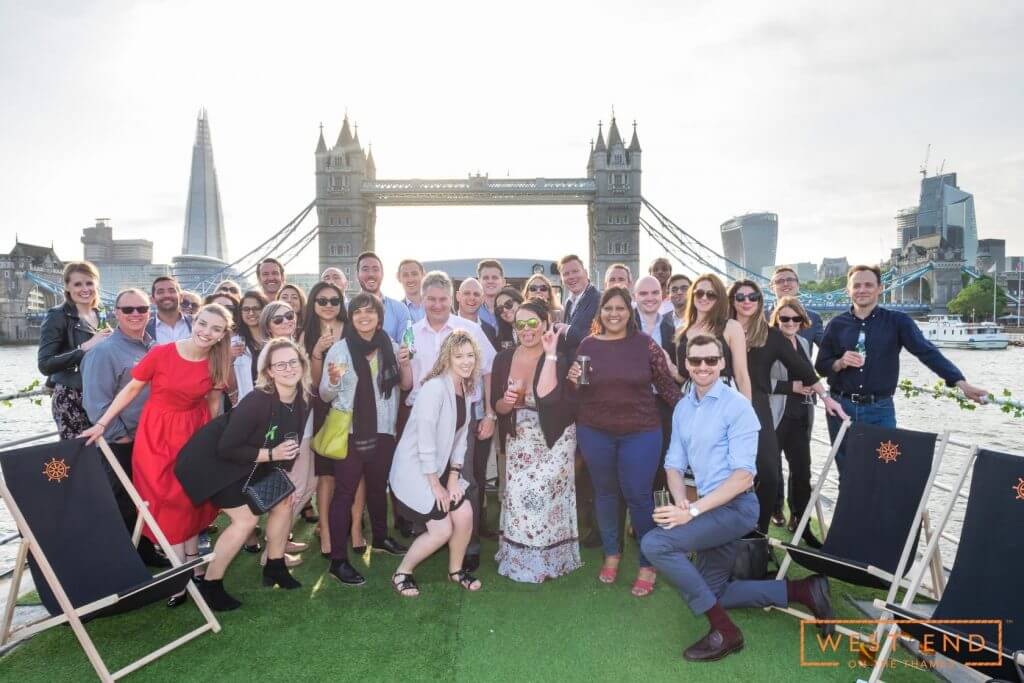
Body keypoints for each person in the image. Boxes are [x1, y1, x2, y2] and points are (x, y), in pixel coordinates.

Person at [640, 335, 835, 663]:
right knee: (712, 591)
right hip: (706, 507)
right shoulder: (684, 407)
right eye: (696, 360)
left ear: (721, 363)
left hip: (737, 508)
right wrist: (681, 503)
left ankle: (725, 631)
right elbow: (673, 463)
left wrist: (694, 511)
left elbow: (744, 476)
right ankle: (803, 590)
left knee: (655, 545)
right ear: (686, 364)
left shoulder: (737, 406)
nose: (703, 366)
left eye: (711, 360)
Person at [81, 303, 233, 607]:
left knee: (188, 499)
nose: (206, 332)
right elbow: (131, 389)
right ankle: (180, 577)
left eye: (215, 329)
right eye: (203, 324)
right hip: (156, 434)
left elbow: (215, 405)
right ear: (194, 321)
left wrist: (212, 444)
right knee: (163, 500)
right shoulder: (161, 353)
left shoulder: (218, 360)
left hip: (194, 433)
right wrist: (101, 423)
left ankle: (193, 565)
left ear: (222, 335)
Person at [179, 337, 311, 609]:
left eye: (293, 362)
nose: (288, 368)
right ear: (269, 372)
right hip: (211, 464)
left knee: (284, 501)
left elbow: (288, 444)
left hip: (250, 463)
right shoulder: (257, 400)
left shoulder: (302, 400)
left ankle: (275, 567)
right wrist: (272, 455)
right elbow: (228, 447)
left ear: (303, 365)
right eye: (280, 364)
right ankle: (211, 585)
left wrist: (280, 476)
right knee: (246, 521)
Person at [815, 265, 987, 470]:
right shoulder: (836, 324)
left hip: (880, 410)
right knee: (847, 473)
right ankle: (849, 503)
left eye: (869, 285)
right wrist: (840, 362)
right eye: (857, 285)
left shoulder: (898, 321)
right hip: (841, 408)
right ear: (848, 290)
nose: (862, 290)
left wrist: (961, 383)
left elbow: (927, 352)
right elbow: (822, 366)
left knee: (884, 472)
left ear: (880, 288)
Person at [568, 287, 681, 597]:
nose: (614, 313)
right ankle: (612, 554)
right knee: (605, 494)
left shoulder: (646, 345)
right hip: (595, 431)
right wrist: (573, 380)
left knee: (639, 496)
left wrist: (699, 414)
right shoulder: (588, 345)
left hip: (641, 432)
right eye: (608, 308)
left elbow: (667, 389)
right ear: (600, 312)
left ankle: (648, 562)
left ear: (629, 312)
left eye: (620, 308)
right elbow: (579, 390)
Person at [729, 279, 845, 534]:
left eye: (753, 297)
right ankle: (722, 535)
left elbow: (802, 367)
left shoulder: (771, 336)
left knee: (769, 476)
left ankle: (757, 535)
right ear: (732, 301)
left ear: (760, 302)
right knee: (725, 477)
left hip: (757, 409)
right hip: (722, 409)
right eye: (740, 297)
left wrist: (826, 397)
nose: (747, 301)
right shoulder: (722, 330)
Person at [320, 293, 413, 586]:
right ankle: (338, 560)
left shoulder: (392, 346)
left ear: (379, 317)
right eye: (357, 312)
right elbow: (325, 394)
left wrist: (406, 363)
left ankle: (382, 537)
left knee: (377, 488)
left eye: (369, 312)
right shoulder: (339, 350)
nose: (363, 316)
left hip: (384, 430)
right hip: (350, 431)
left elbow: (406, 385)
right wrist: (334, 381)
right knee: (344, 494)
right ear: (351, 317)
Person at [407, 271, 496, 571]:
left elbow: (487, 370)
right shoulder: (412, 332)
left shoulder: (467, 328)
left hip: (462, 416)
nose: (436, 304)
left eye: (442, 299)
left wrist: (489, 413)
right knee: (425, 477)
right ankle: (428, 534)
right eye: (430, 299)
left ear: (451, 298)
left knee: (464, 478)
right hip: (422, 417)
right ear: (422, 299)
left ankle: (468, 545)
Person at [389, 330, 484, 597]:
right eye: (459, 356)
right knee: (442, 530)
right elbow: (425, 440)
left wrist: (453, 477)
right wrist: (436, 485)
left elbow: (461, 438)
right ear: (447, 358)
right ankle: (402, 572)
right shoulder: (435, 388)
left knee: (464, 514)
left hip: (440, 470)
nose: (466, 361)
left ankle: (455, 570)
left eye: (470, 355)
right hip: (416, 471)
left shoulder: (464, 386)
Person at [491, 300, 580, 582]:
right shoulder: (503, 358)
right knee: (518, 497)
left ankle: (550, 560)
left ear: (545, 323)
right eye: (520, 325)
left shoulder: (562, 356)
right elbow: (498, 407)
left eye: (533, 323)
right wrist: (506, 403)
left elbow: (550, 398)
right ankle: (519, 559)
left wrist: (551, 353)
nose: (526, 330)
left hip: (555, 436)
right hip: (520, 437)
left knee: (544, 496)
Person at [80, 288, 166, 567]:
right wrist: (121, 435)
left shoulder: (153, 347)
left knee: (143, 498)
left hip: (150, 438)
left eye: (141, 309)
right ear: (116, 313)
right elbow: (96, 403)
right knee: (122, 502)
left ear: (149, 312)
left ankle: (145, 552)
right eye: (128, 310)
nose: (135, 314)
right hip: (122, 441)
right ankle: (122, 562)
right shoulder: (104, 352)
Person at [260, 301, 318, 537]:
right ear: (268, 326)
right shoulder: (270, 352)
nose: (286, 321)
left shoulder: (295, 346)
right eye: (278, 319)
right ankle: (273, 551)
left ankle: (280, 542)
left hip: (305, 425)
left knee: (309, 484)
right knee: (292, 490)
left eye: (289, 315)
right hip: (289, 431)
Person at [768, 297, 822, 543]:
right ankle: (768, 517)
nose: (790, 323)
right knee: (769, 472)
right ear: (777, 319)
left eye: (795, 318)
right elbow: (760, 382)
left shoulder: (801, 342)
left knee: (802, 471)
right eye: (785, 318)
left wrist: (810, 386)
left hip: (801, 416)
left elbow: (808, 374)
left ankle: (800, 520)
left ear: (802, 321)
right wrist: (793, 387)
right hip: (776, 415)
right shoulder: (766, 342)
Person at [38, 261, 112, 439]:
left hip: (100, 395)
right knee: (81, 457)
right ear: (67, 287)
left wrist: (50, 382)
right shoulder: (57, 315)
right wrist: (84, 348)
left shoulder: (100, 312)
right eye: (77, 284)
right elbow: (45, 364)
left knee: (106, 455)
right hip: (72, 398)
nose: (84, 289)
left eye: (89, 283)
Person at [301, 282, 348, 554]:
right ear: (313, 304)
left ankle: (351, 528)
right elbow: (315, 384)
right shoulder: (305, 335)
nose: (329, 305)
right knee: (326, 475)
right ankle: (327, 534)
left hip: (352, 408)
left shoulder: (352, 328)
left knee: (351, 473)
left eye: (334, 300)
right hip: (321, 410)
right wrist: (318, 352)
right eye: (322, 300)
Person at [674, 274, 751, 400]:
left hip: (724, 397)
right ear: (692, 295)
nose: (704, 297)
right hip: (690, 397)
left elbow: (741, 374)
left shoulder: (731, 327)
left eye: (711, 294)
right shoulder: (681, 331)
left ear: (719, 299)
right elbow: (684, 374)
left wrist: (747, 413)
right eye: (699, 293)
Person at [356, 251, 411, 343]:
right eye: (365, 269)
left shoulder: (400, 309)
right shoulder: (346, 309)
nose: (371, 274)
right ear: (357, 275)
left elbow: (408, 346)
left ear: (382, 274)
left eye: (375, 269)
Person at [554, 254, 600, 360]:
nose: (571, 277)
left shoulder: (599, 299)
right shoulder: (568, 303)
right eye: (566, 274)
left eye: (575, 271)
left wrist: (564, 328)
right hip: (570, 370)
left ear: (586, 272)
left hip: (588, 368)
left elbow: (597, 335)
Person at [768, 266, 823, 348]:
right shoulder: (759, 317)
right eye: (779, 281)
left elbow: (828, 348)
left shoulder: (813, 318)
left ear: (798, 285)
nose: (786, 284)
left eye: (790, 280)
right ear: (771, 288)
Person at [233, 289, 268, 403]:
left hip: (275, 404)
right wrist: (230, 359)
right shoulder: (235, 342)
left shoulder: (276, 338)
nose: (251, 313)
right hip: (248, 404)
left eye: (256, 308)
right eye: (246, 309)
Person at [147, 276, 192, 344]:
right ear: (153, 300)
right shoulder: (145, 329)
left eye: (172, 291)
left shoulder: (195, 324)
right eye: (160, 292)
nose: (167, 295)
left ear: (181, 297)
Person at [456, 278, 498, 348]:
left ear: (482, 299)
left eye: (476, 294)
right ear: (458, 296)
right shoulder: (445, 326)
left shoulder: (490, 331)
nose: (472, 298)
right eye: (467, 293)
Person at [476, 259, 506, 330]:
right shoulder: (472, 310)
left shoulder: (511, 309)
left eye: (495, 277)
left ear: (503, 282)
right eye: (486, 278)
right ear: (478, 282)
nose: (490, 281)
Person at [397, 258, 426, 323]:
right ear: (399, 278)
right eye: (405, 275)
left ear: (423, 275)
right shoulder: (396, 311)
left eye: (414, 274)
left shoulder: (440, 305)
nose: (410, 279)